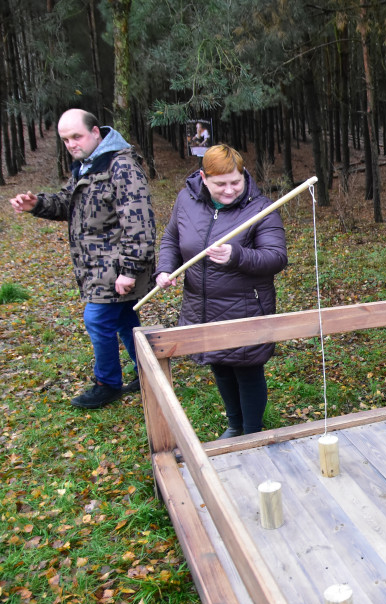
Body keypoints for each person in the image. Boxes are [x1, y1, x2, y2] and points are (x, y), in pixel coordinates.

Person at [9, 108, 156, 409]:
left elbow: (140, 224)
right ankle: (151, 371)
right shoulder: (88, 166)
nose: (72, 144)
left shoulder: (122, 167)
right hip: (95, 266)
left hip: (115, 267)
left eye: (76, 136)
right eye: (65, 140)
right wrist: (36, 203)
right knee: (125, 319)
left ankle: (107, 383)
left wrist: (129, 271)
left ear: (95, 133)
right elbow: (67, 203)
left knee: (97, 319)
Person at [156, 144, 287, 438]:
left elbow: (277, 257)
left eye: (235, 182)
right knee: (220, 364)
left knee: (246, 367)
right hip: (200, 304)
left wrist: (236, 255)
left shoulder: (260, 208)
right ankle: (234, 424)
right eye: (220, 184)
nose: (229, 190)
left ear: (244, 176)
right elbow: (171, 238)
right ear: (203, 178)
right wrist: (165, 269)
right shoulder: (186, 200)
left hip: (245, 306)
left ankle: (251, 432)